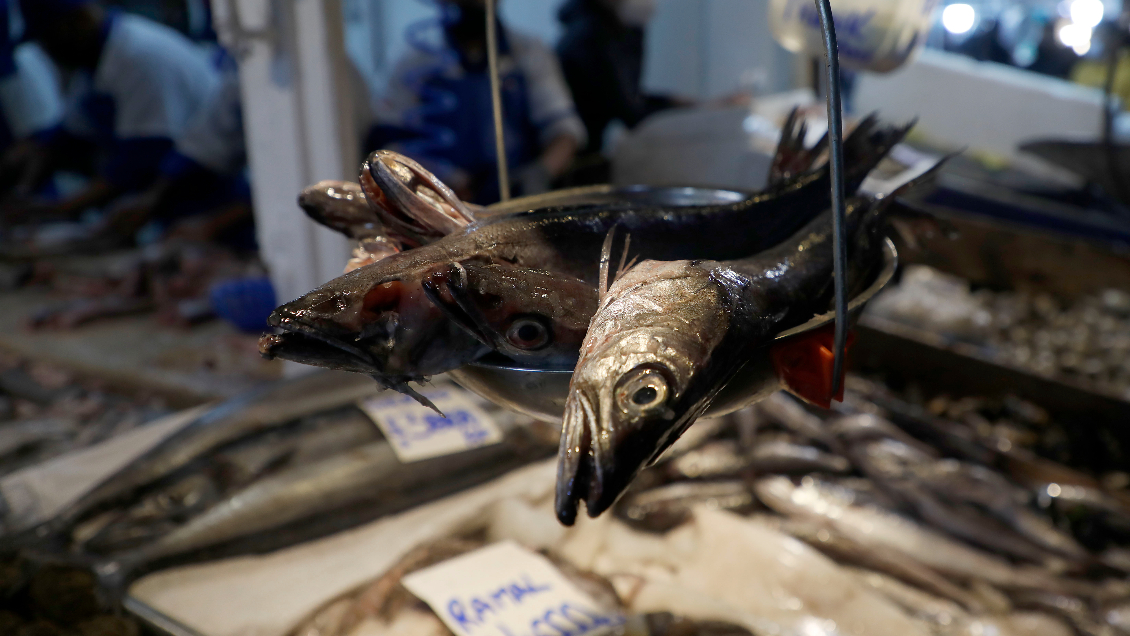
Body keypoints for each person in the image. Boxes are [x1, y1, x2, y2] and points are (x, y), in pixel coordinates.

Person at [12, 0, 252, 246]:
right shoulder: (96, 58)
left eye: (49, 38)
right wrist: (30, 169)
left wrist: (64, 208)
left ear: (80, 20)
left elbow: (145, 154)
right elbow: (71, 132)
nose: (49, 50)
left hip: (214, 195)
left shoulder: (139, 54)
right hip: (179, 184)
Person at [370, 0, 585, 204]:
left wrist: (539, 173)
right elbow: (389, 141)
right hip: (441, 204)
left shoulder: (529, 52)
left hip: (515, 200)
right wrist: (439, 178)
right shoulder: (414, 60)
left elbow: (565, 130)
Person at [556, 0, 686, 155]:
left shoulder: (618, 31)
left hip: (589, 148)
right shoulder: (590, 36)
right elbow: (628, 112)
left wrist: (674, 102)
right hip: (576, 156)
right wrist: (688, 108)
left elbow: (631, 95)